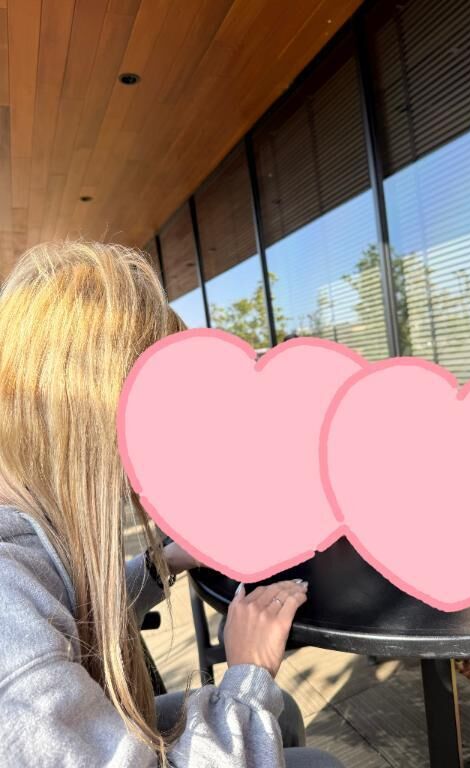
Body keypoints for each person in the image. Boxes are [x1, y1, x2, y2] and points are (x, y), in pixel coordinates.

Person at [0, 242, 344, 768]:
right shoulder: (11, 630)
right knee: (318, 761)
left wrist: (165, 563)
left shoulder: (25, 531)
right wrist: (249, 671)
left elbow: (67, 607)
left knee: (285, 717)